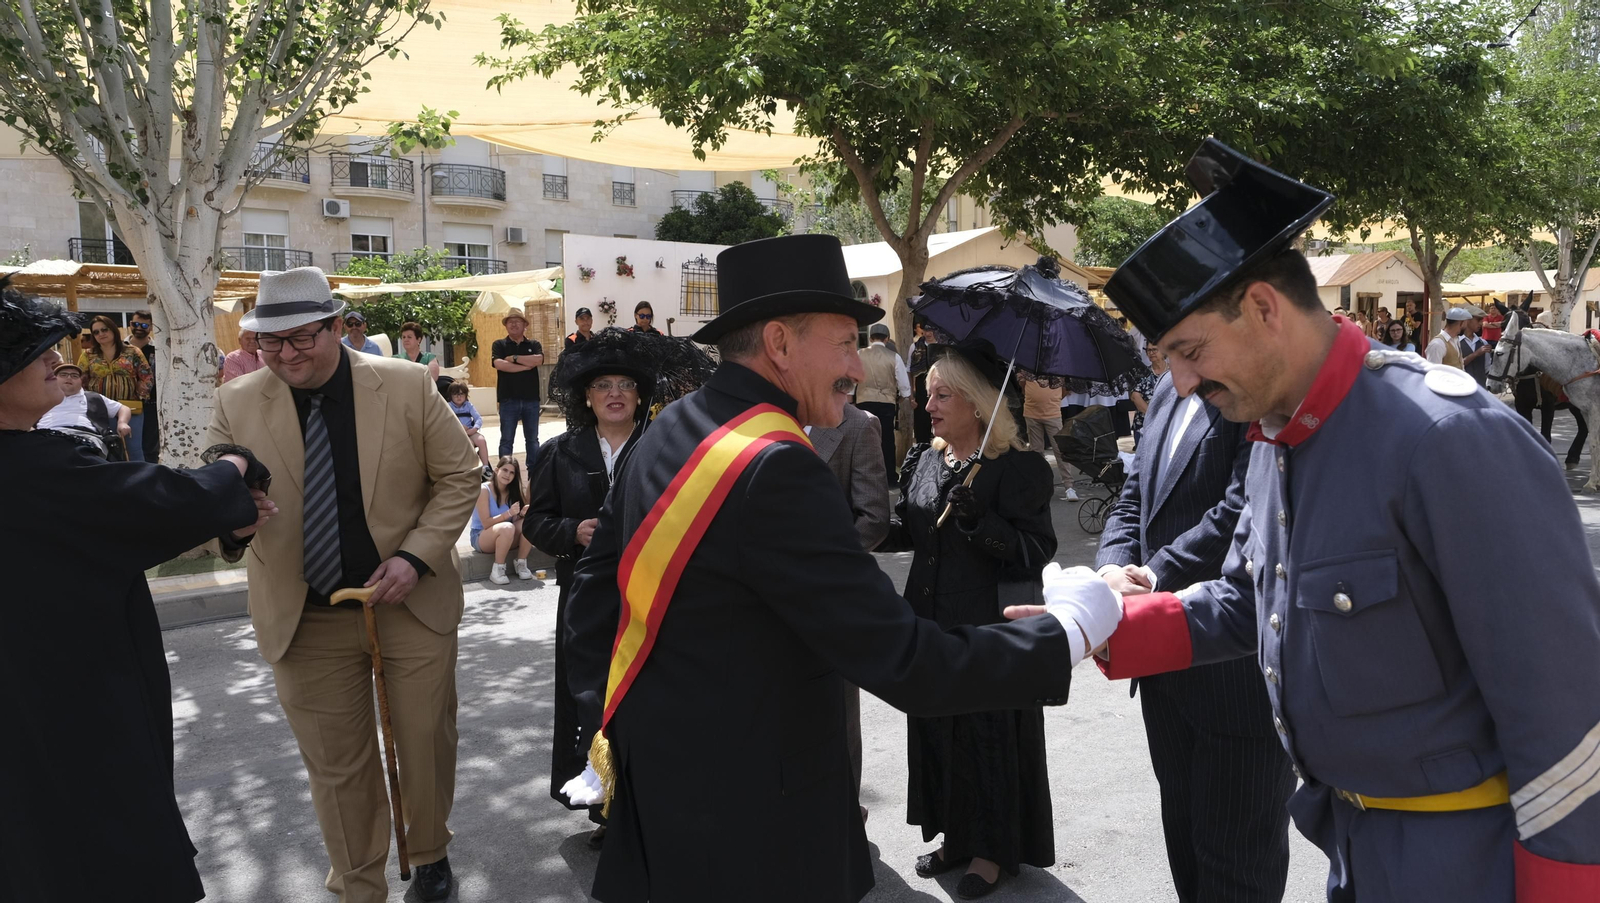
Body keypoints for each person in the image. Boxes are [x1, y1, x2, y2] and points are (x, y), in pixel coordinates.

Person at [1047, 138, 1600, 902]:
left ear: (1265, 307)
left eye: (1190, 349)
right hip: (1354, 846)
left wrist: (1564, 888)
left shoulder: (1445, 437)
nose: (1176, 380)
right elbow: (1249, 597)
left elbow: (1566, 709)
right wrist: (1106, 623)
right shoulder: (1283, 433)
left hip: (1467, 862)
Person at [560, 234, 1119, 903]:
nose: (859, 365)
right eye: (847, 341)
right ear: (779, 342)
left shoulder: (674, 424)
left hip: (662, 801)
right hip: (755, 830)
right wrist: (1073, 630)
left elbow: (590, 598)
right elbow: (908, 661)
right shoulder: (777, 467)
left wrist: (621, 737)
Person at [205, 266, 481, 903]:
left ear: (336, 327)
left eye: (302, 337)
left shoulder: (409, 385)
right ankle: (358, 882)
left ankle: (430, 850)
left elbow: (460, 477)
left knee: (424, 741)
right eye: (270, 343)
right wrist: (234, 517)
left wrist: (415, 557)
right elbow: (217, 496)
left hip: (409, 604)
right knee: (336, 765)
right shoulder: (237, 400)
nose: (286, 355)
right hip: (304, 613)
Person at [0, 279, 273, 903]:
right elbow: (163, 503)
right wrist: (234, 467)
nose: (54, 361)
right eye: (30, 352)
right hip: (62, 704)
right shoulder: (32, 470)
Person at [1097, 369, 1295, 903]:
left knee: (1237, 870)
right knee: (1185, 851)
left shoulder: (1254, 387)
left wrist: (1151, 576)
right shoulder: (1166, 386)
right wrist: (1111, 572)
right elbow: (1133, 494)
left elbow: (1238, 510)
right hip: (1162, 676)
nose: (1171, 361)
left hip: (1237, 682)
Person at [879, 340, 1058, 899]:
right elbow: (910, 531)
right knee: (938, 730)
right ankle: (956, 835)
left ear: (979, 403)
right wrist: (854, 523)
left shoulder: (1017, 469)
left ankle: (992, 850)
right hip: (929, 621)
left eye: (943, 394)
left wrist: (982, 522)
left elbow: (1037, 549)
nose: (927, 404)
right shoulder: (928, 460)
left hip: (989, 627)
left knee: (986, 736)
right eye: (927, 393)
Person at [523, 327, 658, 847]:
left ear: (640, 394)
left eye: (625, 383)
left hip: (650, 599)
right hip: (582, 599)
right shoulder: (561, 452)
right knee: (592, 700)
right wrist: (570, 532)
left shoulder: (662, 446)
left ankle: (650, 804)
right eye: (604, 385)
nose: (615, 393)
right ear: (586, 395)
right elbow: (536, 521)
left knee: (646, 699)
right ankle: (606, 809)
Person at [809, 400, 891, 822]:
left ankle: (842, 807)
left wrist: (823, 565)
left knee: (837, 708)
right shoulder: (759, 416)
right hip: (762, 595)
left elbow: (875, 517)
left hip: (830, 593)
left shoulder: (858, 425)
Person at [78, 314, 153, 461]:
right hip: (100, 410)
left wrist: (139, 395)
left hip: (131, 408)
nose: (101, 334)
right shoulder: (88, 355)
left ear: (113, 329)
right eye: (96, 332)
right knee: (105, 450)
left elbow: (147, 376)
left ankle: (140, 482)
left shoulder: (133, 352)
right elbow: (81, 380)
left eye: (104, 329)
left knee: (134, 450)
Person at [37, 359, 132, 458]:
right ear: (55, 379)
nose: (69, 378)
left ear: (81, 381)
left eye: (74, 376)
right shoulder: (42, 397)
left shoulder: (92, 397)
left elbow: (123, 408)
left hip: (84, 437)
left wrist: (122, 423)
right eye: (63, 375)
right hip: (46, 436)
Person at [855, 322, 911, 483]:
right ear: (887, 339)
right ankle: (890, 477)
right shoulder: (894, 357)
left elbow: (852, 380)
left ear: (871, 338)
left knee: (865, 440)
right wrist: (903, 396)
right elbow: (904, 386)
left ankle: (865, 477)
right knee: (887, 439)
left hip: (864, 400)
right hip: (886, 402)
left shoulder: (860, 354)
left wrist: (851, 398)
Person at [491, 307, 545, 463]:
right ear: (506, 325)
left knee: (532, 440)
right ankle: (504, 474)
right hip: (508, 399)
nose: (514, 325)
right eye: (510, 322)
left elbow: (538, 360)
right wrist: (525, 366)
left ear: (524, 325)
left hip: (531, 400)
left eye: (517, 321)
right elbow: (499, 364)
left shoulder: (534, 344)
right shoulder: (499, 345)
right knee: (507, 440)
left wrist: (513, 358)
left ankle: (534, 475)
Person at [472, 455, 534, 584]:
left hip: (505, 534)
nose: (508, 475)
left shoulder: (513, 491)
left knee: (529, 522)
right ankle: (497, 569)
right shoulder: (484, 490)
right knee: (507, 527)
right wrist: (508, 513)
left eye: (512, 472)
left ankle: (521, 563)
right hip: (481, 536)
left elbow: (514, 520)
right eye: (505, 470)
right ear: (496, 470)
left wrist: (521, 514)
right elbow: (486, 523)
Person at [127, 308, 161, 461]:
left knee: (150, 446)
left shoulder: (159, 349)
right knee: (127, 444)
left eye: (145, 326)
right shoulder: (120, 348)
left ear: (151, 327)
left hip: (151, 404)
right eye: (136, 324)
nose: (139, 328)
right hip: (125, 403)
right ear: (130, 324)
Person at [446, 379, 493, 476]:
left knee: (481, 441)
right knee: (469, 444)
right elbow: (446, 421)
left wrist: (474, 429)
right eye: (456, 394)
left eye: (462, 394)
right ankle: (469, 468)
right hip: (456, 433)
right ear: (451, 395)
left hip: (469, 431)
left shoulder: (468, 405)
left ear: (466, 395)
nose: (459, 397)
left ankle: (485, 466)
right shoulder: (448, 406)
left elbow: (478, 418)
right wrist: (459, 428)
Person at [1129, 342, 1169, 445]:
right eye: (1148, 350)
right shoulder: (1142, 373)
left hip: (1169, 424)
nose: (1151, 353)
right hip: (1144, 424)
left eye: (1154, 350)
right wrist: (1155, 417)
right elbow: (1135, 397)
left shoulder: (1174, 372)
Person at [1460, 306, 1492, 386]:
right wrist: (1476, 354)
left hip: (1480, 388)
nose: (1481, 324)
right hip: (1461, 388)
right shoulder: (1456, 341)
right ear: (1467, 320)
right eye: (1478, 320)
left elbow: (1487, 367)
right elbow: (1456, 365)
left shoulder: (1483, 342)